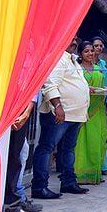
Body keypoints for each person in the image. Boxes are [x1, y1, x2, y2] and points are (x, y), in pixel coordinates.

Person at [32, 38, 90, 199]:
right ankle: (39, 186)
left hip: (74, 114)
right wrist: (58, 106)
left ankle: (68, 182)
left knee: (68, 150)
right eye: (70, 38)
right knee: (47, 148)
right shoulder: (58, 58)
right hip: (60, 114)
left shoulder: (72, 60)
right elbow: (50, 84)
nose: (75, 41)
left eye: (76, 38)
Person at [73, 42, 107, 185]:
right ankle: (80, 174)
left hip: (97, 109)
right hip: (81, 109)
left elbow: (102, 87)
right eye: (86, 51)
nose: (90, 53)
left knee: (97, 140)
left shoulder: (98, 69)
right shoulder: (77, 69)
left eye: (91, 51)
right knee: (80, 142)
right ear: (81, 53)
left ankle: (94, 173)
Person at [4, 98, 40, 212]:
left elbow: (32, 86)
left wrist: (26, 111)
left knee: (15, 156)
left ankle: (12, 206)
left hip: (19, 106)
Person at [92, 37, 107, 176]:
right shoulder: (85, 63)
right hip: (90, 102)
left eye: (100, 45)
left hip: (102, 101)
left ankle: (102, 164)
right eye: (95, 46)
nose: (98, 48)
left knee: (102, 134)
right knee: (91, 135)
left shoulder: (104, 64)